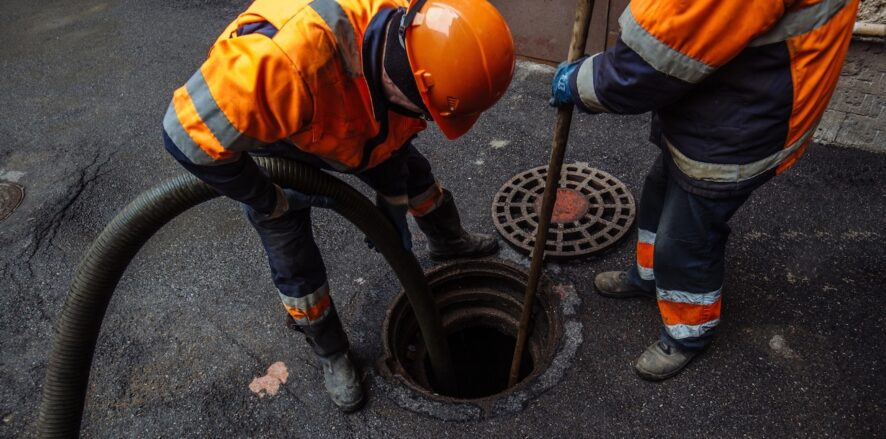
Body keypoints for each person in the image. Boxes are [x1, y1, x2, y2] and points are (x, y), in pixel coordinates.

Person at [162, 0, 514, 411]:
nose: (432, 121)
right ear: (407, 77)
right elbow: (182, 134)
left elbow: (396, 139)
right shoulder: (281, 62)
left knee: (413, 175)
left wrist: (392, 207)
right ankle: (332, 353)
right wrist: (266, 197)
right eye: (430, 112)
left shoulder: (420, 38)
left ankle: (447, 241)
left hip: (358, 120)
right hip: (286, 133)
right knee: (291, 251)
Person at [550, 0, 858, 380]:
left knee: (685, 239)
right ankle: (646, 276)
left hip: (742, 120)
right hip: (717, 92)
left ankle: (687, 332)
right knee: (658, 190)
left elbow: (646, 66)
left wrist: (581, 82)